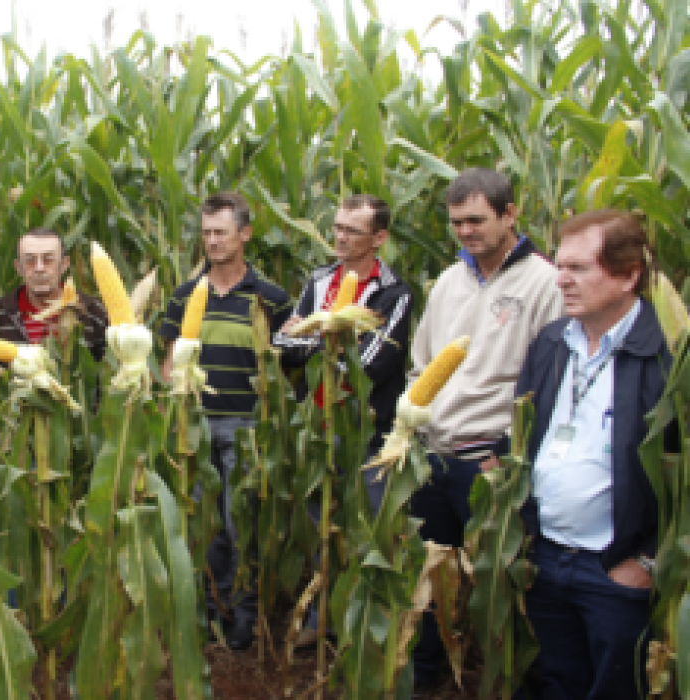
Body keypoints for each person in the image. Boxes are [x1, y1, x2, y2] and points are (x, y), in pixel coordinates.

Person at [407, 168, 564, 688]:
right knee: (429, 579)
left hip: (490, 460)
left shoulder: (544, 282)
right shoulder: (449, 282)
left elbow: (551, 378)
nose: (466, 232)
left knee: (503, 583)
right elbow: (422, 361)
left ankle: (507, 681)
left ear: (510, 214)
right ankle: (428, 676)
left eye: (476, 220)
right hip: (433, 453)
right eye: (456, 223)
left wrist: (510, 452)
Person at [517, 210, 669, 699]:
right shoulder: (551, 343)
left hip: (616, 569)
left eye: (579, 269)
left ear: (629, 275)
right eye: (560, 266)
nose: (561, 280)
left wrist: (646, 560)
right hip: (548, 557)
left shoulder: (668, 357)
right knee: (559, 681)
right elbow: (525, 433)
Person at [158, 191, 294, 651]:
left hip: (247, 425)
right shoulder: (184, 296)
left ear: (245, 234)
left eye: (221, 232)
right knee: (202, 526)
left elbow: (287, 365)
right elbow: (167, 361)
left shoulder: (271, 299)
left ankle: (244, 615)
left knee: (243, 525)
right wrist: (166, 410)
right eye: (207, 233)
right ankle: (209, 612)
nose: (212, 241)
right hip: (193, 423)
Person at [274, 194, 413, 512]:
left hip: (365, 435)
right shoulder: (319, 281)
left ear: (379, 238)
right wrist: (338, 340)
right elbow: (282, 348)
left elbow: (373, 364)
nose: (340, 237)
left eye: (352, 231)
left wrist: (314, 334)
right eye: (337, 228)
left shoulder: (395, 294)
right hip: (315, 429)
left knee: (364, 530)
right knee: (312, 528)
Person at [0, 227, 108, 359]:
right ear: (18, 268)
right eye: (29, 260)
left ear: (64, 264)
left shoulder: (94, 312)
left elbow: (107, 368)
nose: (39, 268)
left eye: (48, 259)